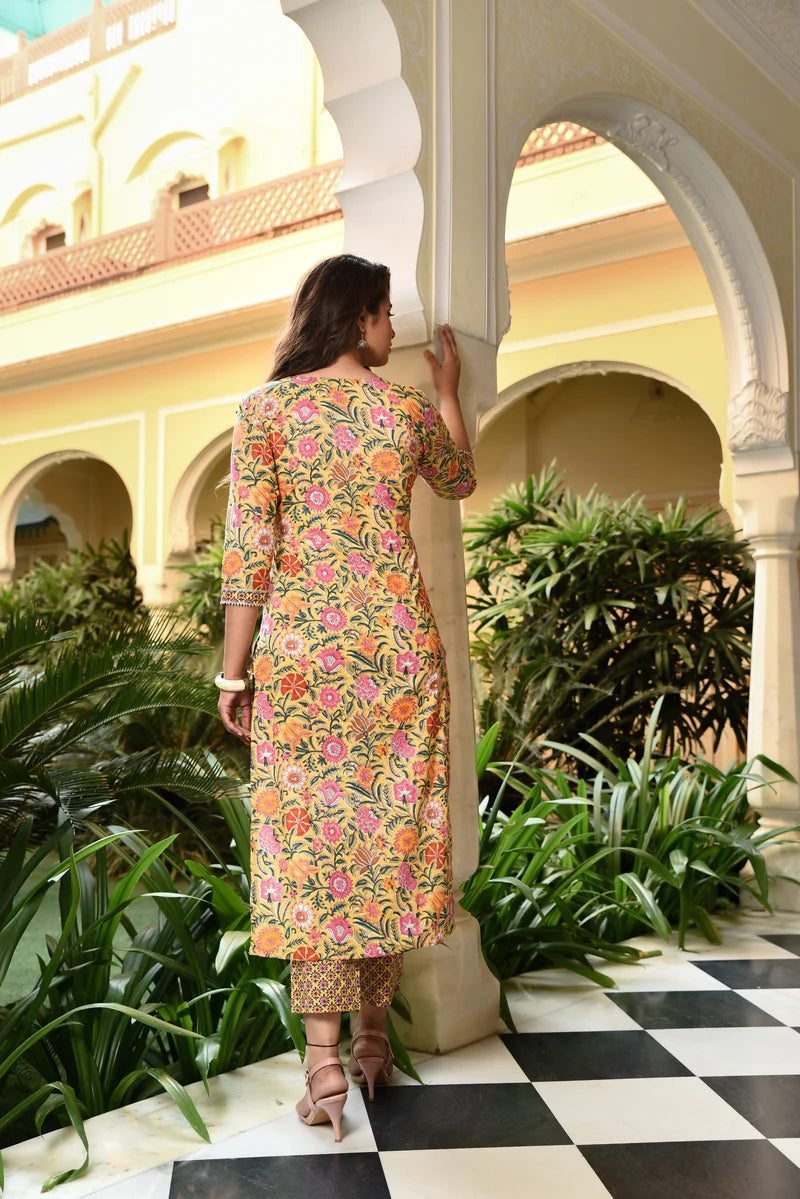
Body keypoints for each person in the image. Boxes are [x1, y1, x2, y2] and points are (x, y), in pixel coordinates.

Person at [215, 252, 477, 1142]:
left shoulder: (264, 412)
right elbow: (459, 478)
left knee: (315, 849)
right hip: (399, 655)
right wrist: (448, 391)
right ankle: (373, 1038)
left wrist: (233, 672)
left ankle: (324, 1062)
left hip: (306, 661)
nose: (393, 326)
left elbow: (249, 555)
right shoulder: (403, 409)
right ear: (358, 316)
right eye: (386, 311)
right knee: (386, 835)